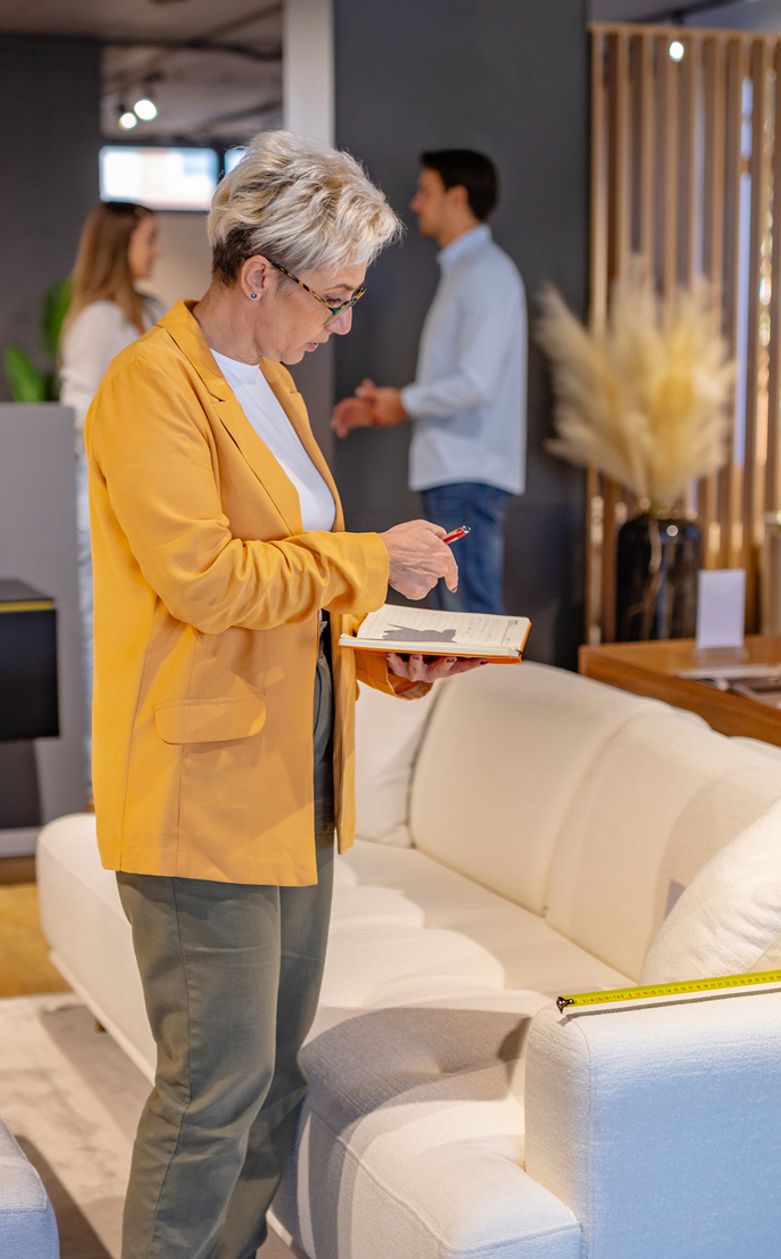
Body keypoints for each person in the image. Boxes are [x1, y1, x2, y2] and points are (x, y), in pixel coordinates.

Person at [86, 129, 483, 1259]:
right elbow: (207, 580)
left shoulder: (272, 387)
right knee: (210, 1088)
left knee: (269, 1080)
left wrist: (382, 653)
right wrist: (371, 559)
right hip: (198, 792)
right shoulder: (149, 387)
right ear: (259, 274)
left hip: (293, 780)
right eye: (335, 299)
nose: (342, 326)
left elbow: (294, 591)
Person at [332, 148, 527, 614]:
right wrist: (393, 404)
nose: (415, 203)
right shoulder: (468, 270)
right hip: (458, 469)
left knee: (471, 618)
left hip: (468, 470)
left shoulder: (486, 273)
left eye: (426, 192)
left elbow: (475, 383)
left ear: (457, 197)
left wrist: (402, 401)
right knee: (464, 613)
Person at [59, 199, 164, 780]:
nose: (157, 251)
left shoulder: (153, 311)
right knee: (102, 634)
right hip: (105, 503)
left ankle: (137, 765)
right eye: (149, 239)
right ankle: (100, 774)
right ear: (119, 245)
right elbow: (78, 411)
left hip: (147, 502)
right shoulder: (97, 321)